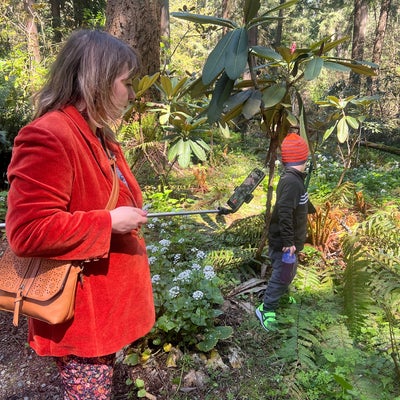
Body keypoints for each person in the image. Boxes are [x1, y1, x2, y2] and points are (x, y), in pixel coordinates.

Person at [6, 29, 155, 399]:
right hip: (81, 313)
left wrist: (126, 213)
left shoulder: (96, 133)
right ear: (99, 81)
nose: (132, 94)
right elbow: (27, 231)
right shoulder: (50, 135)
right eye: (127, 83)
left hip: (104, 309)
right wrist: (109, 222)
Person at [255, 131, 313, 331]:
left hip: (289, 243)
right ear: (303, 157)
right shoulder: (291, 182)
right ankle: (266, 309)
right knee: (282, 274)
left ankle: (280, 296)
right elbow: (285, 213)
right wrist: (289, 243)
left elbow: (294, 205)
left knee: (289, 272)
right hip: (284, 243)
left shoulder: (295, 180)